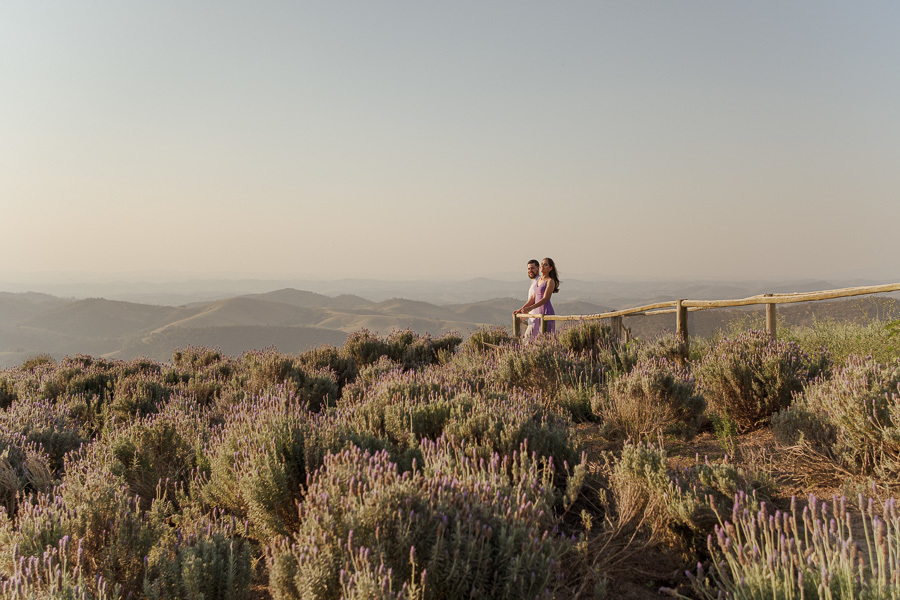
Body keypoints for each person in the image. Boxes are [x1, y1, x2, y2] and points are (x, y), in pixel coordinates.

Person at [515, 257, 561, 338]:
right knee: (534, 337)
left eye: (545, 264)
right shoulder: (539, 279)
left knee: (545, 337)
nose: (542, 266)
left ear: (550, 268)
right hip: (537, 311)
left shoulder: (550, 281)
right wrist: (522, 309)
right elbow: (533, 297)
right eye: (542, 264)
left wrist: (530, 308)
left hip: (545, 310)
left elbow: (545, 298)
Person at [513, 259, 540, 338]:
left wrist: (522, 310)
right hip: (532, 319)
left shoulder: (538, 282)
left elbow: (534, 300)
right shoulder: (534, 282)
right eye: (528, 269)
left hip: (536, 319)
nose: (530, 270)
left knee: (527, 342)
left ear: (538, 268)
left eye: (532, 268)